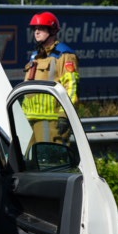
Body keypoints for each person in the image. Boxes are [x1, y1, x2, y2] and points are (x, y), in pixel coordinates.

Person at [22, 10, 78, 144]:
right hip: (29, 119)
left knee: (48, 156)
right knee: (28, 156)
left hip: (51, 121)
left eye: (41, 28)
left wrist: (64, 116)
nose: (36, 32)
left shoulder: (64, 55)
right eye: (35, 29)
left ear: (52, 31)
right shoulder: (36, 56)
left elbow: (71, 87)